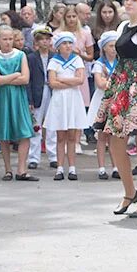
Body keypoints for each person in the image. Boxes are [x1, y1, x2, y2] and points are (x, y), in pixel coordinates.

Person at [93, 0, 137, 214]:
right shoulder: (122, 27)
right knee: (114, 138)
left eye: (134, 0)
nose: (129, 3)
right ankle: (129, 191)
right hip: (122, 84)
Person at [0, 26, 38, 181]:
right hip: (1, 98)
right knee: (4, 133)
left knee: (25, 132)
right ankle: (8, 169)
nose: (8, 42)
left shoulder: (20, 55)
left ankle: (21, 169)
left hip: (18, 97)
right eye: (4, 39)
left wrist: (5, 78)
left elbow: (25, 79)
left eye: (10, 39)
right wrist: (15, 75)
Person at [44, 32, 88, 181]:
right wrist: (70, 80)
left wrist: (62, 79)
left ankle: (73, 168)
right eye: (64, 43)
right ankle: (60, 168)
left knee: (72, 135)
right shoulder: (54, 62)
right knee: (60, 136)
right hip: (59, 100)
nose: (68, 46)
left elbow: (80, 80)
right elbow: (52, 83)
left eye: (70, 43)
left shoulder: (77, 60)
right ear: (58, 47)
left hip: (73, 99)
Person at [87, 31, 119, 179]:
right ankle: (101, 168)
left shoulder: (120, 63)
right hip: (103, 101)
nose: (114, 49)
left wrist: (109, 82)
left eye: (115, 46)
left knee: (113, 135)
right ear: (104, 48)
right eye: (111, 46)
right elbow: (100, 84)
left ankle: (115, 166)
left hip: (116, 101)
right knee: (102, 136)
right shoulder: (99, 64)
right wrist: (114, 83)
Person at [26, 27, 57, 170]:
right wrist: (30, 99)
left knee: (52, 124)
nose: (45, 42)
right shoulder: (31, 58)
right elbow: (29, 80)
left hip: (52, 90)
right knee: (36, 124)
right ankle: (33, 157)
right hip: (38, 91)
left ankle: (53, 156)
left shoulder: (54, 56)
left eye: (47, 39)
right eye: (41, 39)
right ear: (36, 42)